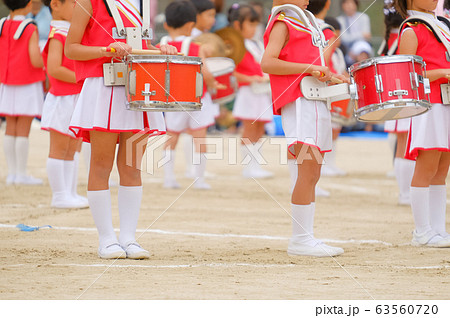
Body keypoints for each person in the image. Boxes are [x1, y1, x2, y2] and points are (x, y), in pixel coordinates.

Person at [65, 0, 177, 259]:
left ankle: (129, 237)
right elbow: (72, 49)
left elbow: (140, 48)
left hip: (137, 88)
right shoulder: (88, 2)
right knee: (101, 165)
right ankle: (106, 239)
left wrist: (162, 50)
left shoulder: (140, 2)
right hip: (104, 87)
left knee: (131, 167)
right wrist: (106, 49)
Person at [261, 0, 345, 257]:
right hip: (298, 101)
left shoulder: (305, 20)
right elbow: (268, 63)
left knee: (314, 172)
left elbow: (309, 63)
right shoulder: (284, 20)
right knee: (306, 170)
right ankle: (300, 239)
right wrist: (308, 69)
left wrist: (330, 76)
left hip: (314, 99)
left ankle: (306, 236)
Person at [395, 0, 450, 247]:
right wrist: (439, 73)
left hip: (446, 102)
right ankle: (422, 231)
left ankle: (438, 229)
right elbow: (403, 73)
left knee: (441, 168)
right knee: (427, 166)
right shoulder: (411, 29)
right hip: (429, 105)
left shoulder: (442, 25)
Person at [160, 0, 217, 190]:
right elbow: (206, 73)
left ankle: (169, 179)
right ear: (191, 25)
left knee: (171, 137)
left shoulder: (160, 45)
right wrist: (214, 84)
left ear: (166, 24)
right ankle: (198, 180)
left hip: (172, 99)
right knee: (199, 138)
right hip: (197, 98)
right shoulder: (195, 46)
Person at [41, 0, 88, 209]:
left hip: (76, 96)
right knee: (59, 148)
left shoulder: (71, 32)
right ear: (56, 5)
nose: (79, 8)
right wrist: (83, 78)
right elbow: (54, 69)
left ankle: (70, 193)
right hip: (62, 97)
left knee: (73, 147)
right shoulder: (57, 34)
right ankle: (59, 195)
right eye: (74, 4)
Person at [0, 0, 45, 185]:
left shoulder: (2, 23)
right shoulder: (29, 27)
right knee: (23, 130)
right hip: (26, 82)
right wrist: (46, 60)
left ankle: (12, 173)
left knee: (10, 128)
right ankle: (21, 174)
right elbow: (35, 59)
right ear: (27, 5)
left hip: (7, 81)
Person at [229, 3, 273, 179]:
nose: (254, 28)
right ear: (238, 25)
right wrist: (250, 79)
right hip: (248, 91)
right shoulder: (235, 44)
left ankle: (256, 165)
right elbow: (231, 70)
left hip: (261, 90)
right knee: (250, 128)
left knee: (260, 127)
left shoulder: (254, 44)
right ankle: (248, 167)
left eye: (256, 24)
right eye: (250, 24)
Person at [309, 0, 347, 177]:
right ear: (327, 5)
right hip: (323, 89)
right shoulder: (325, 32)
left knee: (332, 131)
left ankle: (327, 165)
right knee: (321, 134)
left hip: (323, 88)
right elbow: (322, 65)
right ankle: (317, 173)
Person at [381, 1, 412, 206]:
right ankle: (406, 194)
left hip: (392, 96)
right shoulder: (406, 32)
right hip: (405, 94)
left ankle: (405, 193)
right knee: (406, 145)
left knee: (402, 144)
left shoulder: (388, 37)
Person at [336, 0, 371, 66]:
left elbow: (367, 37)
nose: (349, 6)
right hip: (347, 48)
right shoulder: (340, 20)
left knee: (362, 47)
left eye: (351, 3)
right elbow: (344, 38)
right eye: (346, 3)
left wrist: (352, 37)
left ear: (356, 4)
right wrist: (361, 35)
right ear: (342, 5)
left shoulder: (364, 17)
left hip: (363, 46)